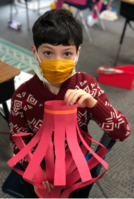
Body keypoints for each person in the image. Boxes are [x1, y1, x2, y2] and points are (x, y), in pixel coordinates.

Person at [9, 9, 131, 198]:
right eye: (48, 52)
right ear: (35, 52)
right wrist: (35, 174)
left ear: (77, 53)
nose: (57, 62)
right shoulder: (22, 96)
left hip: (76, 170)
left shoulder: (87, 86)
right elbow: (18, 140)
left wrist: (94, 104)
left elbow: (123, 131)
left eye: (67, 54)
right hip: (38, 173)